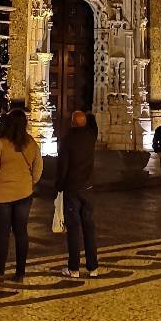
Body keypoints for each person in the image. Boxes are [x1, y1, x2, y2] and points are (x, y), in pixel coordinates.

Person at [0, 107, 43, 282]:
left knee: (3, 234)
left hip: (2, 195)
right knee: (21, 232)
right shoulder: (31, 143)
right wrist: (30, 182)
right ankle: (20, 272)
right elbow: (39, 168)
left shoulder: (1, 143)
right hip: (24, 193)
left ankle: (0, 272)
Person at [55, 110, 99, 279]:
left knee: (73, 229)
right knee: (89, 227)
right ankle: (93, 267)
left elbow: (62, 166)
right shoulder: (91, 137)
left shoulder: (68, 141)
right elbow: (94, 125)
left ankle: (74, 268)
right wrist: (90, 114)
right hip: (87, 188)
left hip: (72, 189)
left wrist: (59, 185)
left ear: (72, 123)